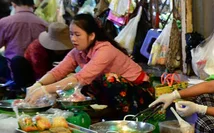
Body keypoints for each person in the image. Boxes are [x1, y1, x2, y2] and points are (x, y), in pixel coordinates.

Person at [25, 14, 153, 117]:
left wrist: (45, 90)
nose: (73, 39)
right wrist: (38, 85)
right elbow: (58, 72)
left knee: (107, 79)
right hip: (118, 92)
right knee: (76, 86)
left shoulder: (105, 50)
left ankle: (126, 116)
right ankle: (100, 113)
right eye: (71, 34)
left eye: (77, 34)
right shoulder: (77, 52)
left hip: (140, 92)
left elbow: (80, 78)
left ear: (91, 36)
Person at [0, 0, 48, 81]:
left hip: (13, 73)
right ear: (33, 5)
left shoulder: (5, 22)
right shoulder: (44, 24)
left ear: (13, 5)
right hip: (40, 74)